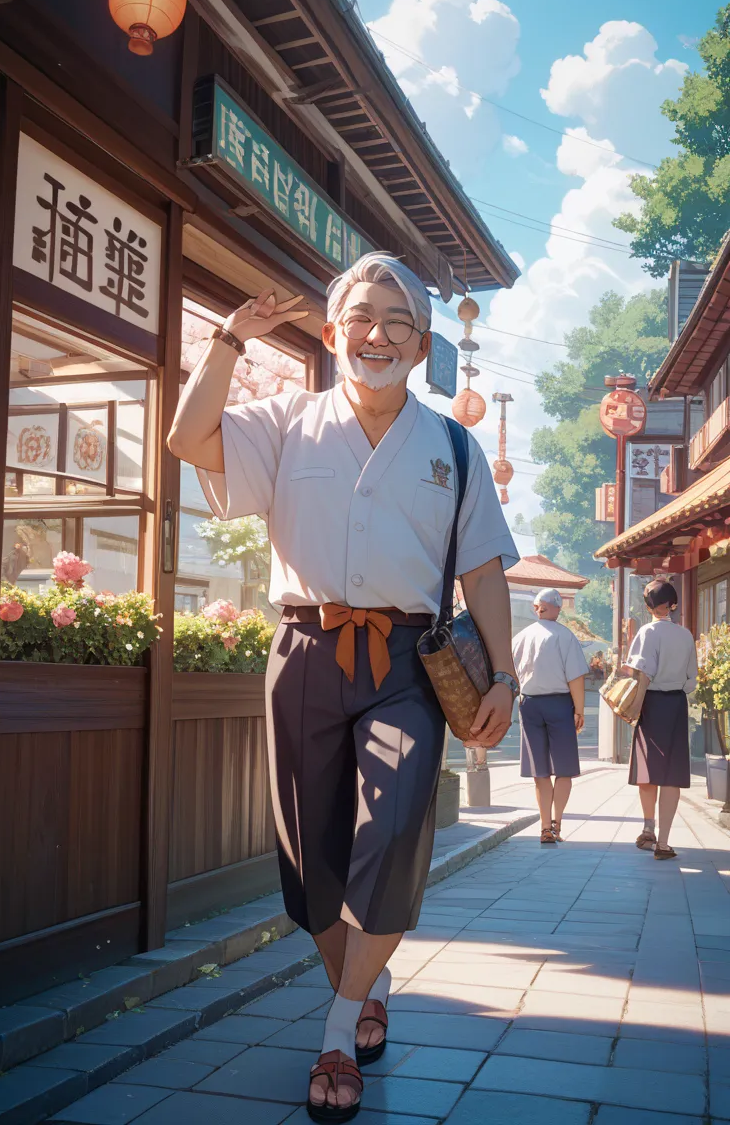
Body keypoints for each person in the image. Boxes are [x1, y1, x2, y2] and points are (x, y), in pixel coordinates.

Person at [168, 251, 519, 1121]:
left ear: (424, 345)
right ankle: (365, 985)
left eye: (398, 321)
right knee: (309, 861)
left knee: (394, 834)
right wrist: (226, 343)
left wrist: (506, 675)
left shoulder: (453, 447)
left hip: (408, 664)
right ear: (331, 334)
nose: (378, 334)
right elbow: (187, 439)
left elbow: (483, 574)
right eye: (361, 317)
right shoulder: (287, 421)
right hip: (303, 649)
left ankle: (335, 1033)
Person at [623, 578, 697, 861]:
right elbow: (691, 680)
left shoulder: (647, 632)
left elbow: (642, 674)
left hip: (651, 704)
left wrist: (635, 708)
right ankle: (664, 843)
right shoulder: (686, 635)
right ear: (674, 604)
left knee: (647, 770)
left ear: (648, 606)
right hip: (677, 703)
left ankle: (647, 828)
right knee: (672, 774)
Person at [512, 587, 588, 844]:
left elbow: (511, 676)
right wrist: (579, 710)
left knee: (540, 771)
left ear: (537, 608)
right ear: (556, 607)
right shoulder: (565, 636)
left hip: (529, 704)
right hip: (559, 704)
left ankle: (544, 826)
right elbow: (575, 677)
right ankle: (557, 824)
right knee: (564, 769)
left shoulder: (520, 637)